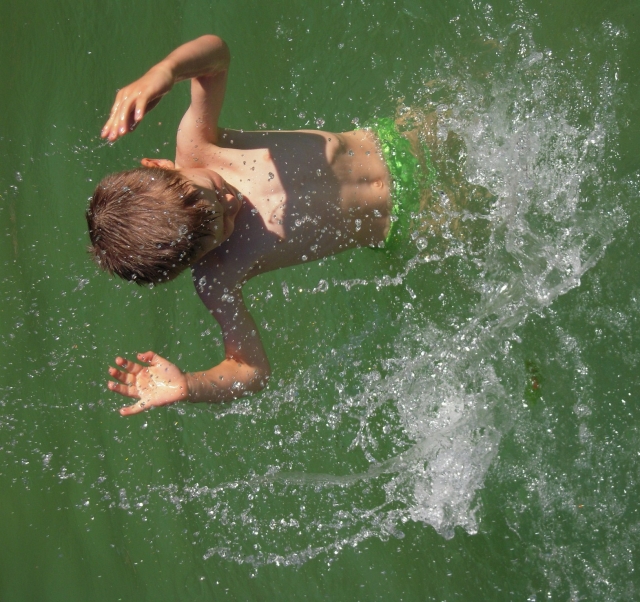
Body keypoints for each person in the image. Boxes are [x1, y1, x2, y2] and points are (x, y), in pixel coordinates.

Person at [89, 35, 435, 416]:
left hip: (396, 141)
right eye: (221, 229)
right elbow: (251, 370)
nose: (231, 203)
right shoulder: (218, 274)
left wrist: (166, 71)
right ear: (192, 260)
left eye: (215, 191)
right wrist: (189, 385)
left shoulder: (198, 146)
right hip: (414, 219)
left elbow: (216, 58)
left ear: (163, 167)